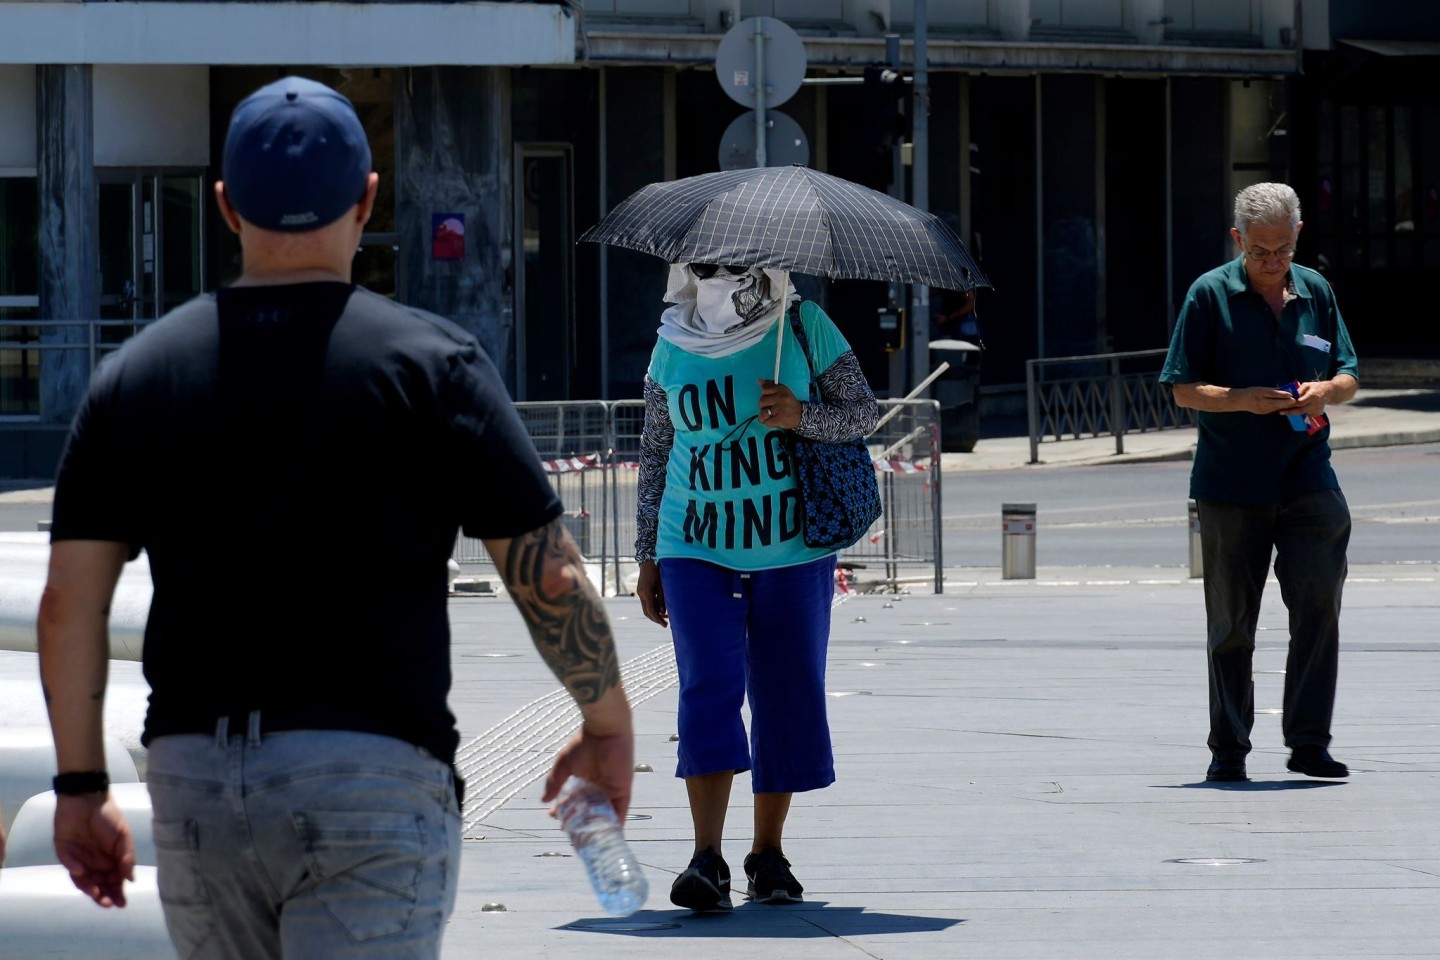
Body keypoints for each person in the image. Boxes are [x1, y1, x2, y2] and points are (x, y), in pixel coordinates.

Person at [37, 75, 633, 957]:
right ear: (367, 198)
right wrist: (606, 722)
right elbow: (547, 573)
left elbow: (69, 603)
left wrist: (81, 785)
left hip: (196, 772)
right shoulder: (435, 366)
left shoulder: (137, 376)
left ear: (227, 206)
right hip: (374, 771)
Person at [633, 262, 878, 911]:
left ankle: (767, 853)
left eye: (736, 260)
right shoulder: (672, 339)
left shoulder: (804, 324)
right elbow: (657, 451)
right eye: (705, 262)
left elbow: (864, 414)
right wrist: (647, 556)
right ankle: (705, 857)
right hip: (694, 545)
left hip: (792, 548)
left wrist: (801, 414)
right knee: (706, 690)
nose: (721, 272)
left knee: (786, 693)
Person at [1160, 182, 1358, 784]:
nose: (1274, 262)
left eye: (1284, 248)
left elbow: (1348, 373)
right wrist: (1241, 399)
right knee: (1231, 624)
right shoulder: (1208, 295)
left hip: (1307, 473)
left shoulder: (1316, 290)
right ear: (1237, 240)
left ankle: (1308, 743)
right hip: (1231, 482)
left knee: (1319, 604)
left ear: (1298, 237)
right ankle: (1229, 749)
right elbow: (1181, 387)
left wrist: (1326, 391)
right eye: (1261, 251)